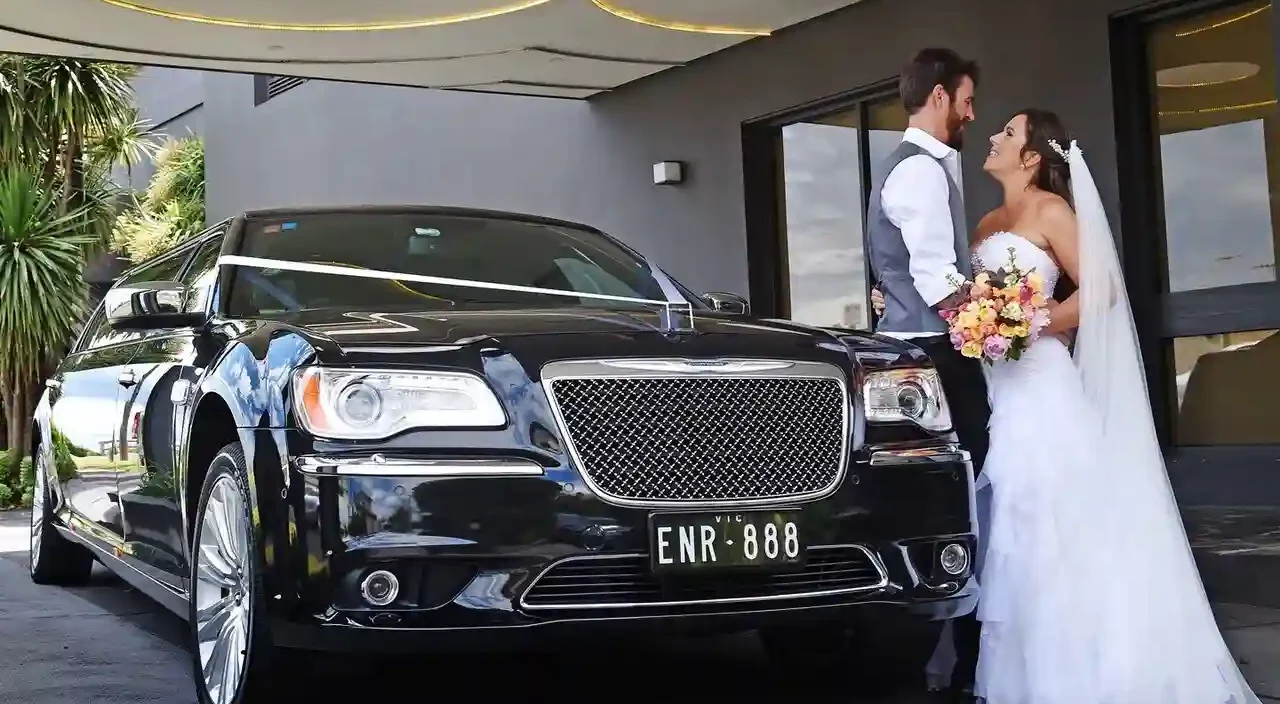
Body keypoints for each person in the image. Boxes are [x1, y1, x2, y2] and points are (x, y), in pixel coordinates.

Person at [871, 109, 1262, 703]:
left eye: (1007, 133)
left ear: (1031, 157)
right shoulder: (984, 223)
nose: (994, 138)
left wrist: (1027, 322)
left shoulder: (1052, 213)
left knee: (1050, 519)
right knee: (1006, 525)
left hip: (1042, 384)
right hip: (994, 389)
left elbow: (1101, 289)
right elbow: (952, 294)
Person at [864, 48, 988, 703]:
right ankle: (958, 661)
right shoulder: (920, 172)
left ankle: (956, 655)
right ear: (940, 97)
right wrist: (992, 328)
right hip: (934, 355)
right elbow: (936, 274)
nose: (972, 112)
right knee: (957, 496)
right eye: (966, 99)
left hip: (920, 344)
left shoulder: (913, 168)